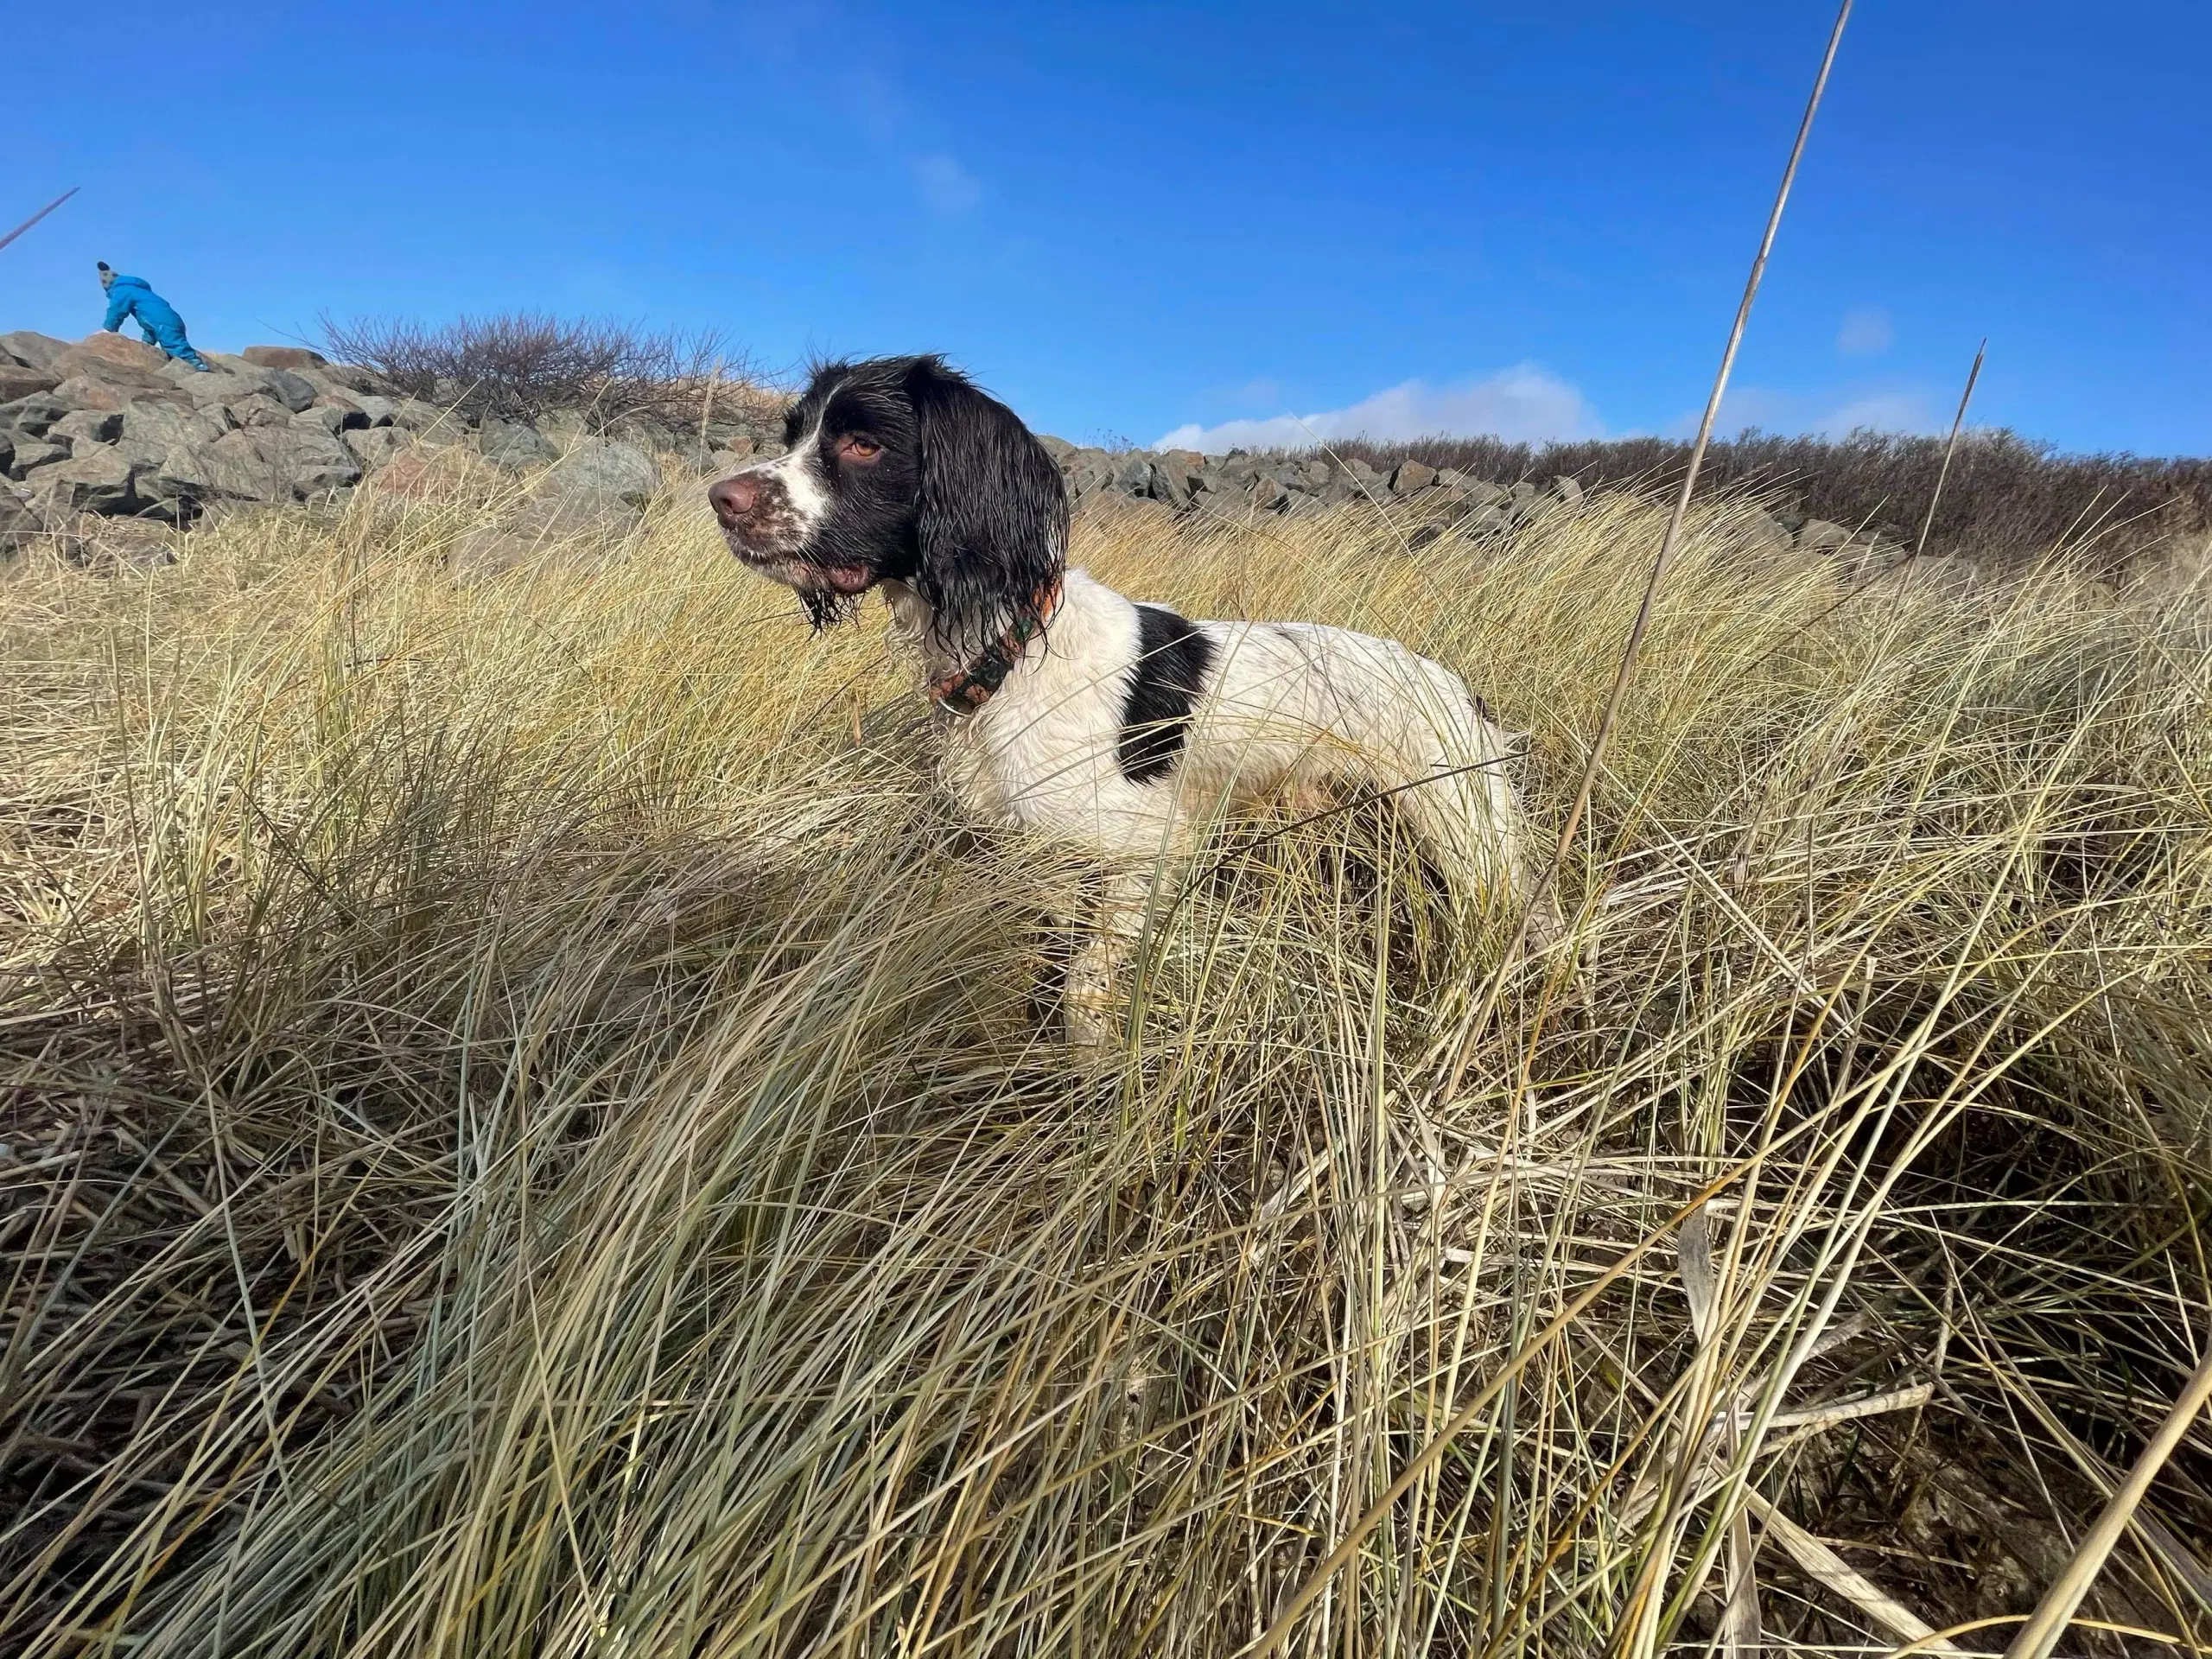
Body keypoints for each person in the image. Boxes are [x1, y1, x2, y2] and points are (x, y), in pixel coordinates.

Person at [96, 261, 211, 371]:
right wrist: (146, 344)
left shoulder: (122, 290)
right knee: (172, 348)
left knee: (177, 349)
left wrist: (108, 329)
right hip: (170, 320)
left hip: (164, 323)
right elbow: (151, 325)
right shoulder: (141, 291)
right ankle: (190, 368)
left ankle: (199, 369)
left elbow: (116, 311)